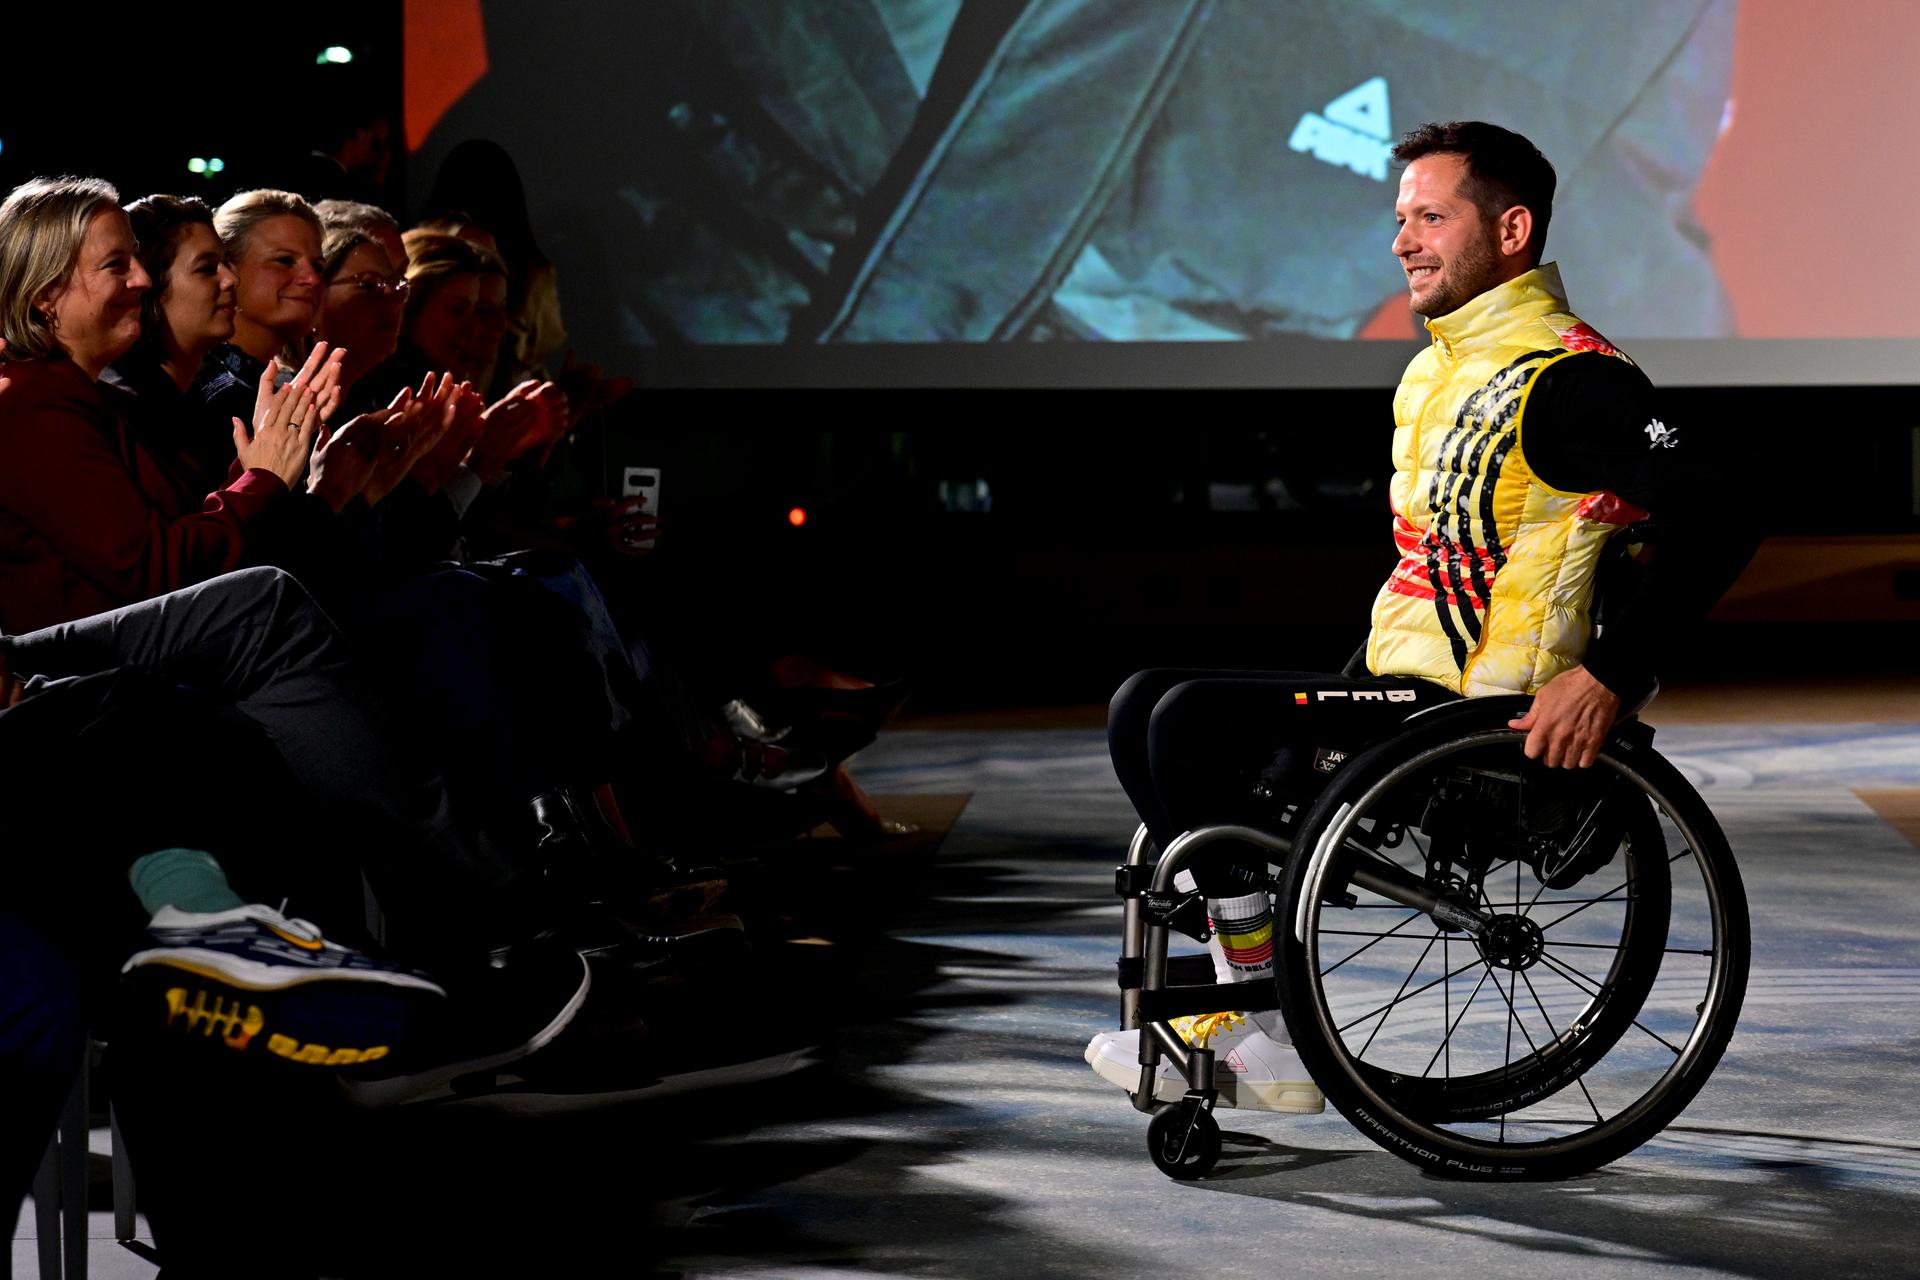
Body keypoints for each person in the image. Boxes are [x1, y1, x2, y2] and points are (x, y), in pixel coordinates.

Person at [1086, 120, 1759, 1111]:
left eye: (1431, 216)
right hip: (1406, 692)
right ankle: (1241, 999)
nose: (1402, 240)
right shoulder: (1442, 369)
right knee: (1145, 701)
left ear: (1513, 228)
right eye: (1399, 218)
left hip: (1480, 714)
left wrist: (1615, 673)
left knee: (1183, 716)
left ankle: (1256, 1017)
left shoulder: (1571, 380)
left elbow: (1726, 499)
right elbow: (1437, 578)